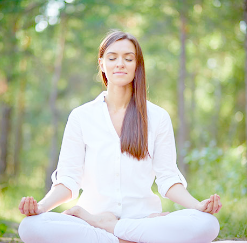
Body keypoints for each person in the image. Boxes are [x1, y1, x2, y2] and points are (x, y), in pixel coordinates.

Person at [18, 30, 222, 243]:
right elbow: (68, 179)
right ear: (102, 64)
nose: (120, 64)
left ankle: (112, 229)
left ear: (137, 65)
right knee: (31, 227)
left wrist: (198, 206)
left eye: (128, 58)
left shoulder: (158, 117)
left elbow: (168, 178)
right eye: (112, 57)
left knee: (206, 224)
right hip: (89, 219)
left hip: (143, 220)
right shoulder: (81, 116)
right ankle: (127, 238)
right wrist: (41, 207)